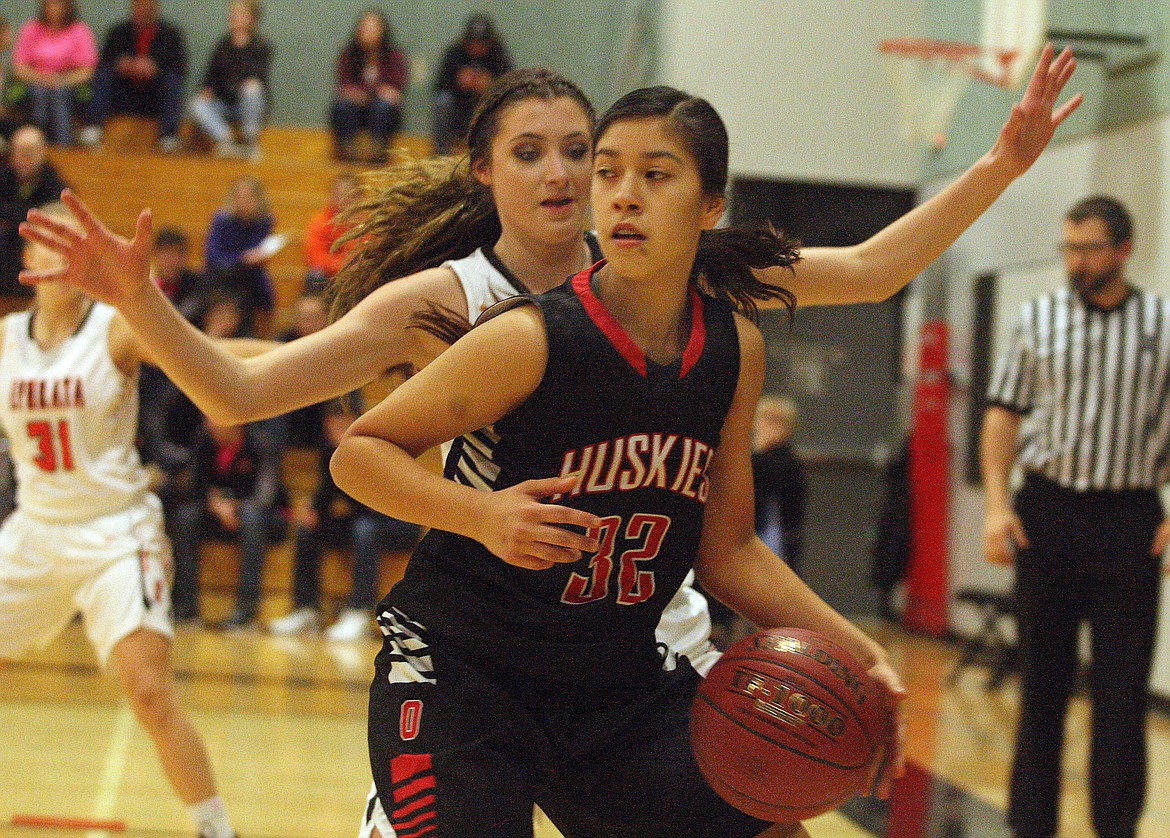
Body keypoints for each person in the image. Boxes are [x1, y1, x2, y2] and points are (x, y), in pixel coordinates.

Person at [20, 50, 1079, 836]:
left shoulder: (684, 280)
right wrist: (139, 298)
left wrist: (999, 164)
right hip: (481, 649)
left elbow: (868, 272)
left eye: (588, 152)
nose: (572, 175)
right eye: (536, 153)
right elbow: (244, 391)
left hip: (634, 642)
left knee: (775, 802)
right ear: (484, 169)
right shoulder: (462, 307)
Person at [327, 84, 908, 838]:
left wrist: (860, 657)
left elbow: (728, 550)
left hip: (614, 686)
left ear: (710, 204)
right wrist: (480, 514)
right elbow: (361, 453)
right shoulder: (534, 338)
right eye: (607, 173)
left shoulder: (733, 351)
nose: (624, 197)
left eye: (656, 176)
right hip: (465, 675)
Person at [0, 203, 237, 838]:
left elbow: (214, 355)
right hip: (33, 530)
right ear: (26, 260)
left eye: (68, 242)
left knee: (147, 688)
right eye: (44, 243)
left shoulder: (116, 329)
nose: (56, 255)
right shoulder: (7, 340)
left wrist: (341, 351)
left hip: (113, 532)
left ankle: (216, 828)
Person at [981, 195, 1170, 838]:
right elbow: (1002, 413)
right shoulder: (1038, 320)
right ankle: (1030, 827)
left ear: (1123, 249)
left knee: (1121, 695)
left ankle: (1116, 828)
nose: (1076, 261)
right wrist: (998, 506)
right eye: (1069, 248)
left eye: (1089, 248)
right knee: (1043, 689)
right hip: (1048, 511)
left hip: (1129, 518)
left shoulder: (1163, 323)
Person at [269, 400, 419, 642]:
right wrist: (314, 511)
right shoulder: (331, 451)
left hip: (398, 521)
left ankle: (359, 611)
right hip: (360, 518)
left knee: (365, 529)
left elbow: (378, 505)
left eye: (342, 423)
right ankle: (306, 608)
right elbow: (327, 494)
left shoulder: (377, 449)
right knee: (309, 529)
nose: (336, 430)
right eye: (331, 424)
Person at [167, 411, 286, 630]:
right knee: (185, 517)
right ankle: (186, 607)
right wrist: (215, 503)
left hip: (261, 518)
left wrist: (234, 506)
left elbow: (264, 497)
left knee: (252, 518)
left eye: (213, 419)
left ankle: (247, 609)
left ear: (234, 422)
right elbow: (192, 486)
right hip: (216, 513)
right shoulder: (204, 439)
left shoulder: (262, 443)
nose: (208, 425)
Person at [79, 0, 187, 154]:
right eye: (139, 5)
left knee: (173, 82)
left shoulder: (171, 34)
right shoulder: (118, 32)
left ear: (155, 8)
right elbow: (104, 63)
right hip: (124, 96)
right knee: (103, 76)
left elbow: (179, 68)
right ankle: (93, 127)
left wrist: (155, 68)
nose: (142, 10)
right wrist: (124, 65)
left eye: (147, 6)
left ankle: (168, 136)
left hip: (154, 99)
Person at [188, 0, 271, 160]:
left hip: (246, 104)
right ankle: (227, 140)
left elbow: (257, 76)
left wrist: (241, 84)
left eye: (239, 14)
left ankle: (250, 141)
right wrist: (207, 89)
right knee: (197, 104)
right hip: (224, 102)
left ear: (251, 19)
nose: (234, 17)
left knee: (252, 88)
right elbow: (210, 75)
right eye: (233, 14)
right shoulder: (223, 45)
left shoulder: (261, 46)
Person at [9, 0, 97, 146]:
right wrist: (40, 77)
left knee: (58, 93)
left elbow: (87, 70)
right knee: (41, 92)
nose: (53, 8)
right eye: (49, 4)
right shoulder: (31, 28)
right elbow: (19, 67)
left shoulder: (79, 30)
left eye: (58, 4)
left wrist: (61, 79)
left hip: (69, 85)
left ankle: (63, 145)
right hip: (34, 83)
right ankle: (37, 141)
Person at [329, 9, 408, 164]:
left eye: (373, 28)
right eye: (364, 28)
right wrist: (373, 92)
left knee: (383, 108)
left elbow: (395, 90)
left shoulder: (394, 56)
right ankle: (347, 152)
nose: (368, 32)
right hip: (356, 106)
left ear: (382, 31)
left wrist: (369, 93)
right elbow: (345, 86)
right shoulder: (349, 54)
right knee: (343, 107)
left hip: (381, 108)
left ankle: (378, 152)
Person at [0, 125, 68, 299]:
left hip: (34, 253)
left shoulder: (56, 186)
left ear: (43, 151)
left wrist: (13, 217)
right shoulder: (5, 176)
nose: (23, 157)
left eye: (29, 151)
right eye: (18, 151)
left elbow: (51, 219)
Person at [203, 174, 276, 335]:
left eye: (249, 197)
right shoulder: (221, 219)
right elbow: (213, 256)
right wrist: (241, 259)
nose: (244, 201)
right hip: (222, 274)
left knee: (265, 296)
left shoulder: (264, 220)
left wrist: (249, 259)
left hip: (249, 275)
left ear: (258, 199)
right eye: (240, 197)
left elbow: (259, 253)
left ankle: (249, 333)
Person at [432, 13, 512, 155]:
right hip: (459, 106)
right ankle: (441, 153)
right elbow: (439, 86)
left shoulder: (499, 54)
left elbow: (510, 88)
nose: (477, 47)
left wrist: (491, 86)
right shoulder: (454, 53)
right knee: (442, 101)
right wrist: (459, 82)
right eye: (473, 43)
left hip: (486, 106)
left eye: (482, 44)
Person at [752, 395, 807, 576]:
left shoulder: (785, 463)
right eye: (764, 419)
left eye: (776, 421)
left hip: (771, 546)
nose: (767, 426)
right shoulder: (757, 460)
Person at [303, 173, 357, 289]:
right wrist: (341, 265)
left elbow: (366, 255)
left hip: (356, 275)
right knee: (315, 275)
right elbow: (315, 257)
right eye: (340, 195)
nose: (344, 199)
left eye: (349, 195)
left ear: (358, 197)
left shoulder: (366, 223)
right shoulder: (321, 221)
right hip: (328, 276)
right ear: (331, 196)